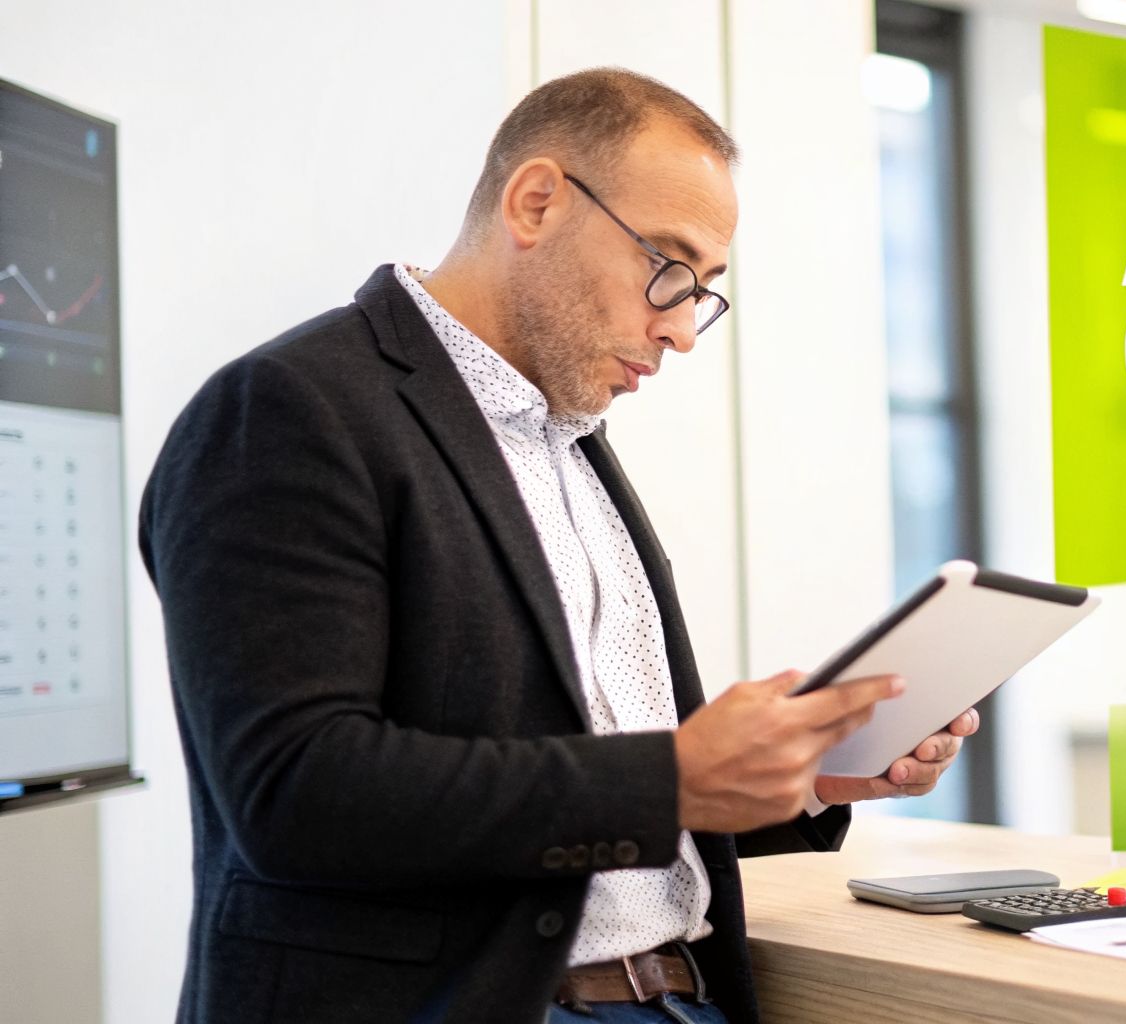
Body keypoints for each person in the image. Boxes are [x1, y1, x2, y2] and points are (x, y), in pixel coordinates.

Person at [138, 68, 977, 1024]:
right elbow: (295, 793)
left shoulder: (566, 442)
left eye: (703, 292)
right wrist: (678, 776)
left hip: (682, 997)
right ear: (536, 202)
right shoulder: (286, 410)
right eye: (668, 267)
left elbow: (592, 813)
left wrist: (797, 782)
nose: (681, 329)